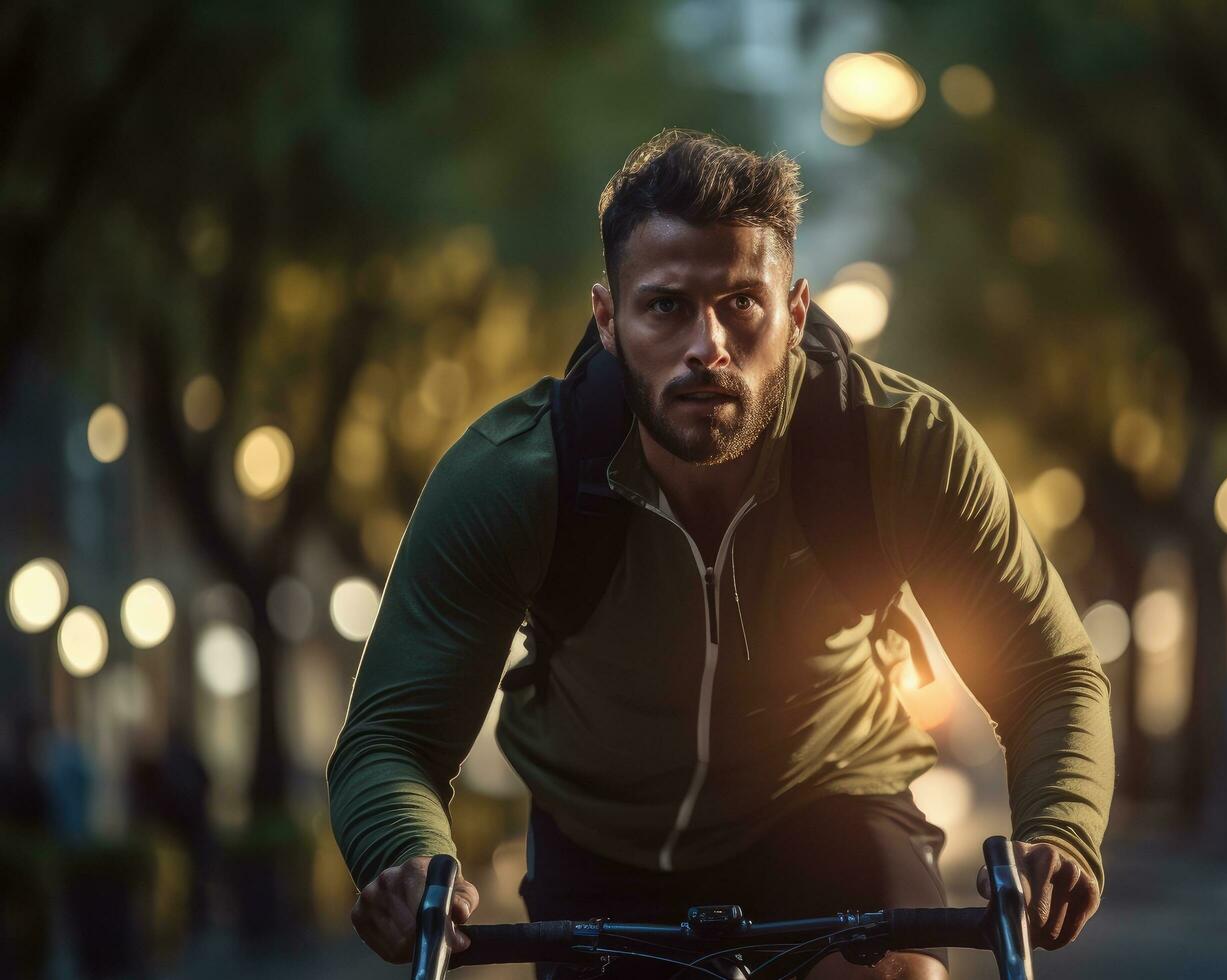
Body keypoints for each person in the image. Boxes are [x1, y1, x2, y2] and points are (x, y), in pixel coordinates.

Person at [327, 130, 1114, 979]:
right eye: (665, 306)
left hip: (834, 800)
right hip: (600, 838)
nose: (708, 347)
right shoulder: (513, 478)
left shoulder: (902, 445)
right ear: (607, 319)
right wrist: (408, 859)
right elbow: (391, 738)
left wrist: (1060, 829)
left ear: (797, 313)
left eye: (742, 303)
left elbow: (1047, 672)